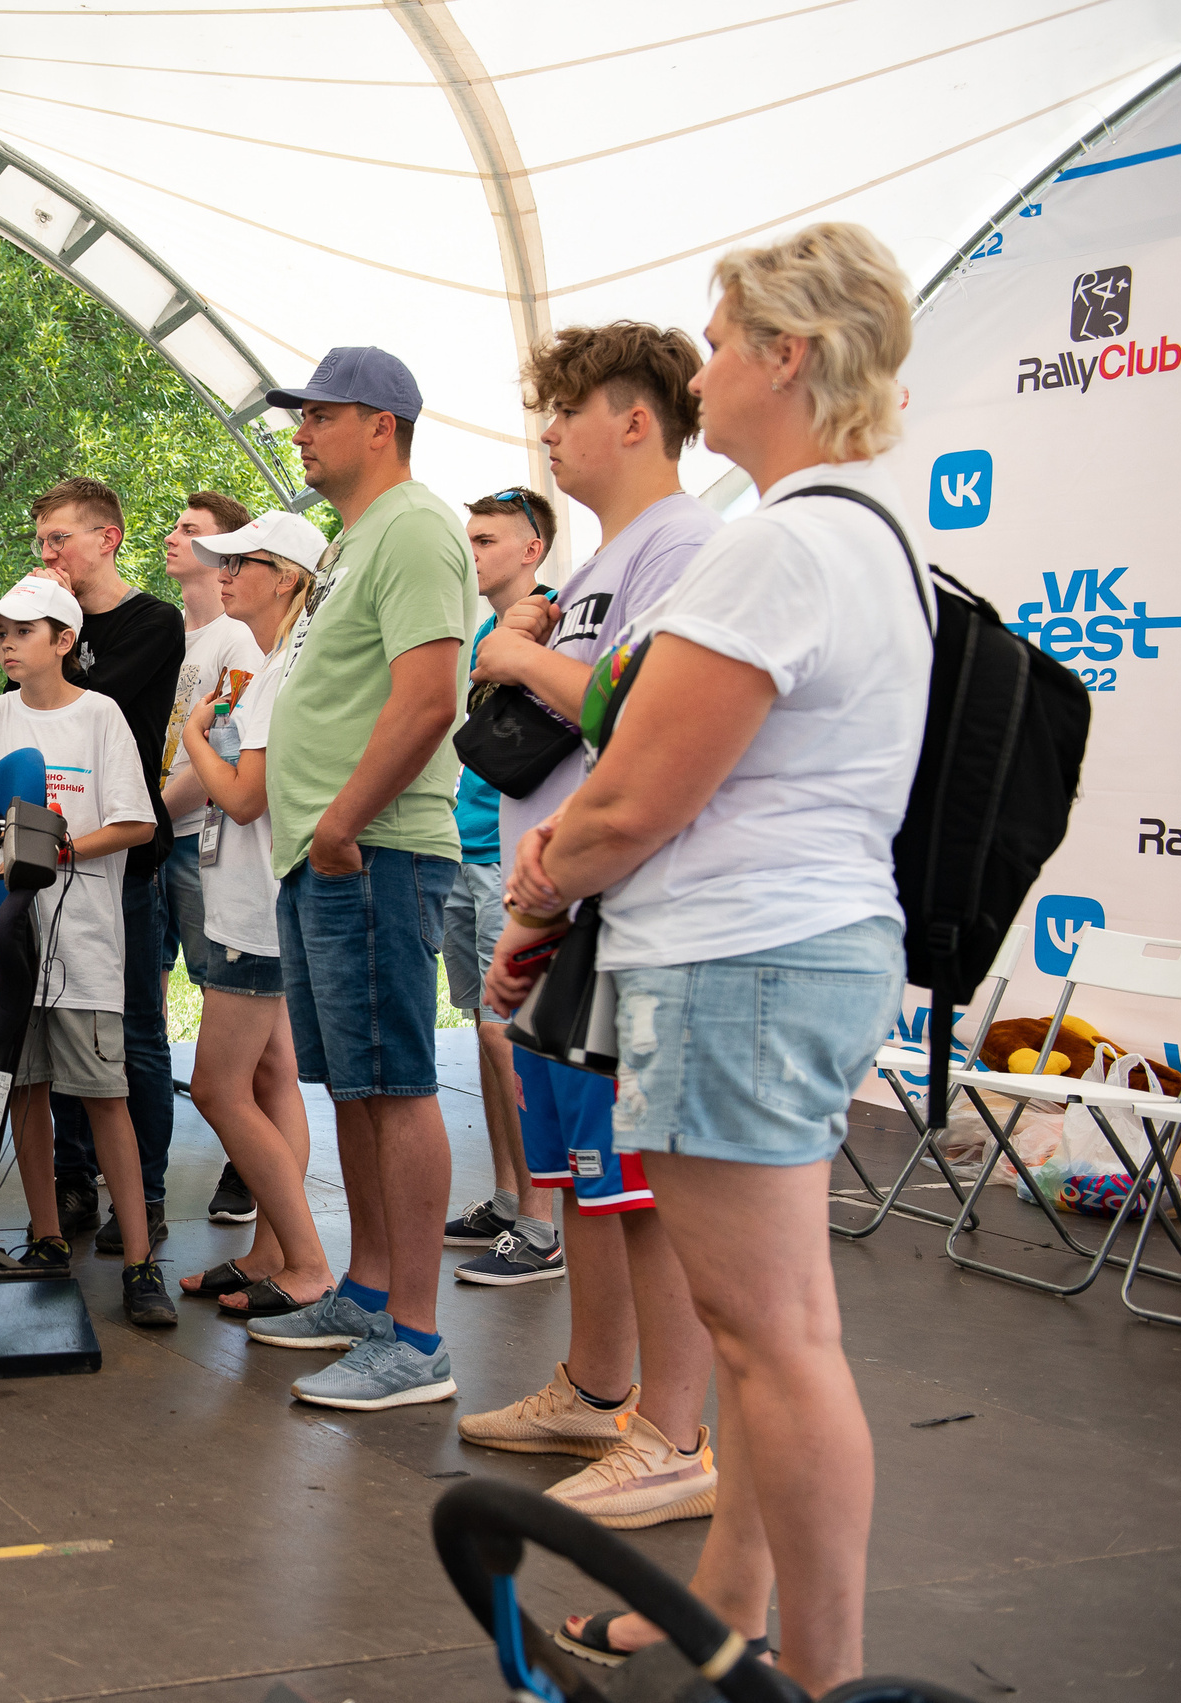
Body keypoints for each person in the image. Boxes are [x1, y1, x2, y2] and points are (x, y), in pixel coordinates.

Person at [488, 223, 925, 1693]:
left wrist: (539, 897)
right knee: (761, 1333)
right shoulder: (864, 536)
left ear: (787, 356)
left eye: (726, 336)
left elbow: (630, 796)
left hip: (744, 958)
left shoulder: (779, 545)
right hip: (788, 949)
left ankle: (821, 1669)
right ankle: (728, 1604)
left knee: (779, 1336)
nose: (704, 363)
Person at [458, 326, 725, 1552]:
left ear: (633, 418)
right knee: (582, 1173)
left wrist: (518, 653)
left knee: (641, 1179)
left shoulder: (685, 542)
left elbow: (639, 708)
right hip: (562, 896)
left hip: (624, 896)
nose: (550, 432)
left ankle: (671, 1432)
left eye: (567, 410)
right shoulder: (618, 556)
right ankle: (598, 1383)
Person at [240, 347, 470, 1412]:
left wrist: (341, 822)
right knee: (357, 1085)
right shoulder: (353, 539)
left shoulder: (417, 526)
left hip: (369, 846)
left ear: (380, 424)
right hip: (327, 851)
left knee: (397, 1083)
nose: (299, 432)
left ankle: (416, 1339)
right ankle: (370, 1293)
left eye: (318, 414)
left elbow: (429, 698)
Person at [0, 576, 164, 1326]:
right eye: (0, 631)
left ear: (65, 641)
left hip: (85, 948)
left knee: (107, 1097)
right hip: (7, 946)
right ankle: (46, 1237)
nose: (6, 643)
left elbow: (137, 822)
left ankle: (141, 1259)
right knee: (25, 1091)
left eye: (22, 630)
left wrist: (58, 848)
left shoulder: (102, 717)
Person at [170, 510, 332, 1316]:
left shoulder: (279, 675)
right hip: (253, 904)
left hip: (254, 910)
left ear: (290, 579)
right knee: (269, 1080)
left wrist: (197, 735)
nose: (224, 571)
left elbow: (240, 797)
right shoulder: (271, 667)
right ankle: (272, 1249)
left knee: (216, 1088)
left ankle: (305, 1257)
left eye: (244, 561)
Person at [21, 476, 184, 1258]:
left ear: (107, 537)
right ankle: (73, 1179)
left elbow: (85, 702)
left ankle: (143, 1195)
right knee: (52, 1025)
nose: (48, 554)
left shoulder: (154, 622)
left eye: (60, 539)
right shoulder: (44, 625)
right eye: (41, 544)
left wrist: (56, 625)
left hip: (122, 865)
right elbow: (26, 703)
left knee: (134, 1034)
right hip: (43, 870)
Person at [440, 490, 562, 1282]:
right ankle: (509, 1197)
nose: (473, 551)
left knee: (506, 1033)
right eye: (470, 537)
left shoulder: (551, 617)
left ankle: (543, 1224)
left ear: (533, 550)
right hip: (466, 845)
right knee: (483, 1038)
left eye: (489, 539)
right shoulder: (492, 628)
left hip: (509, 861)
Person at [154, 489, 262, 1226]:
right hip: (157, 843)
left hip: (199, 843)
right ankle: (141, 1159)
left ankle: (247, 1165)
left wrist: (152, 815)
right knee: (147, 1000)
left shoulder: (238, 640)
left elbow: (223, 751)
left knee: (241, 1007)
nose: (173, 536)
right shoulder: (171, 640)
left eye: (190, 530)